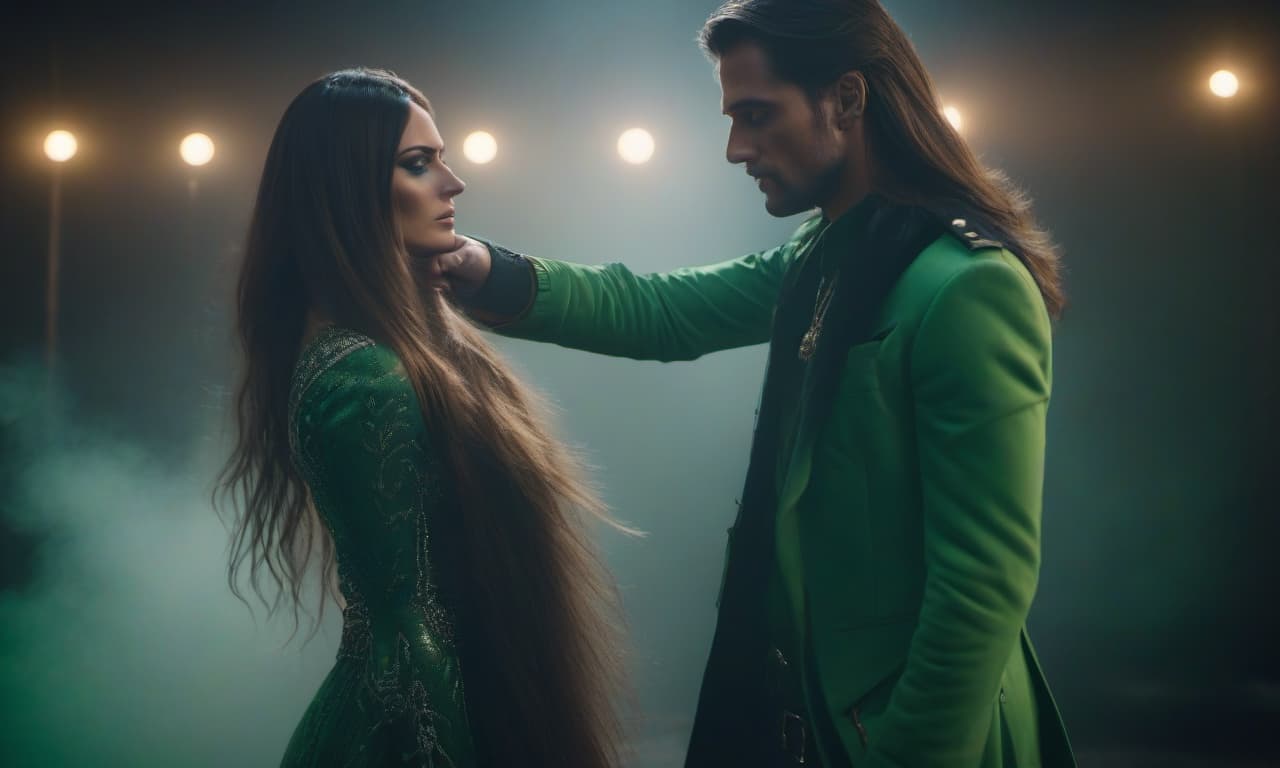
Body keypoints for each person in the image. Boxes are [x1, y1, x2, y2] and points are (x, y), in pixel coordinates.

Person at [431, 1, 1076, 766]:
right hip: (790, 715)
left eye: (757, 115)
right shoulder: (823, 253)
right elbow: (664, 311)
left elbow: (982, 586)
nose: (737, 148)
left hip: (905, 739)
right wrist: (483, 269)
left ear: (847, 99)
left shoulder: (968, 285)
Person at [215, 68, 631, 768]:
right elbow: (405, 633)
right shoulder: (363, 374)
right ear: (348, 194)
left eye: (440, 157)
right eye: (418, 164)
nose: (454, 182)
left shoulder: (405, 353)